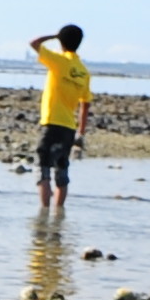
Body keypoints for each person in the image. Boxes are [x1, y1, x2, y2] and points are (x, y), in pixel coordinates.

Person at [30, 23, 92, 207]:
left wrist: (54, 36)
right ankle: (58, 215)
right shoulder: (83, 72)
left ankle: (44, 213)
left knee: (43, 170)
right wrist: (81, 133)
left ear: (61, 41)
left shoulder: (59, 61)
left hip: (51, 123)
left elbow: (34, 43)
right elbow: (85, 105)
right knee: (62, 172)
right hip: (69, 128)